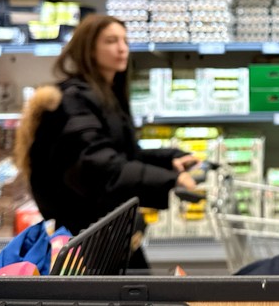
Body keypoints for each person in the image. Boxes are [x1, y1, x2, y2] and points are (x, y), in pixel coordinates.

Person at [14, 14, 198, 268]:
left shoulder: (105, 95)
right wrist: (170, 179)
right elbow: (97, 166)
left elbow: (122, 155)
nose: (122, 48)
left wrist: (170, 160)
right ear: (88, 48)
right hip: (87, 237)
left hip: (110, 227)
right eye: (111, 41)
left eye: (124, 40)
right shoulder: (74, 100)